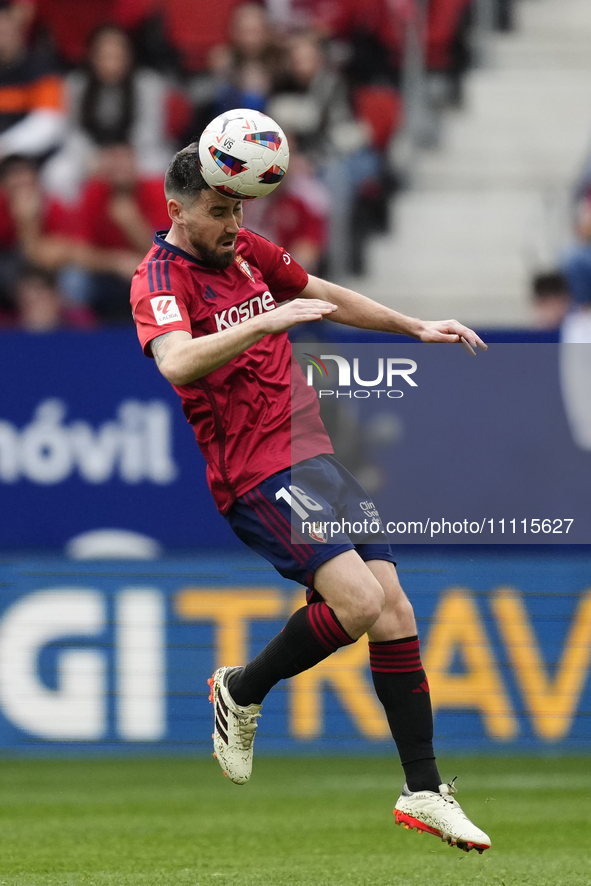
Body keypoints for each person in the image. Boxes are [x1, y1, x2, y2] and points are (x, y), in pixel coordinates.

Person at [129, 142, 491, 855]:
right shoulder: (159, 278)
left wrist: (415, 326)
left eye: (236, 207)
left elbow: (324, 293)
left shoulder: (248, 251)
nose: (232, 222)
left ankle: (422, 789)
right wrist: (259, 323)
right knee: (355, 603)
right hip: (254, 469)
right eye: (216, 210)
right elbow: (174, 360)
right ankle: (241, 688)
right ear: (175, 208)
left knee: (391, 609)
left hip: (311, 454)